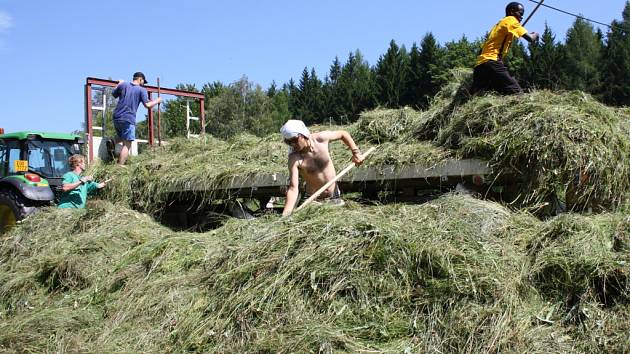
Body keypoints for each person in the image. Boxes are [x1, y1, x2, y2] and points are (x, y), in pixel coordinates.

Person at [280, 120, 365, 216]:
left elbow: (343, 134)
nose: (292, 144)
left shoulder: (321, 139)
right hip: (313, 202)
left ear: (303, 134)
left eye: (294, 140)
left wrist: (356, 152)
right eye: (288, 142)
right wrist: (286, 214)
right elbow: (293, 188)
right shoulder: (294, 158)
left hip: (334, 197)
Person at [471, 2, 539, 95]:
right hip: (492, 62)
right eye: (520, 13)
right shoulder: (511, 20)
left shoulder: (498, 25)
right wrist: (536, 34)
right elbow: (530, 38)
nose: (521, 17)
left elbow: (482, 49)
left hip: (480, 65)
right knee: (517, 93)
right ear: (512, 11)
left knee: (481, 95)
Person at [111, 72, 162, 165]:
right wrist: (157, 101)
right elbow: (147, 105)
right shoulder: (141, 90)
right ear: (140, 79)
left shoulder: (123, 84)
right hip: (128, 117)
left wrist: (119, 83)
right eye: (143, 81)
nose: (143, 83)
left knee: (123, 137)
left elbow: (113, 94)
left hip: (117, 116)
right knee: (128, 143)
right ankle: (120, 166)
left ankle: (112, 141)